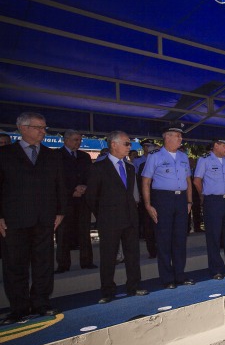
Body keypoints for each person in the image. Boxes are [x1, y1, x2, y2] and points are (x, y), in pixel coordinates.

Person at [0, 112, 68, 325]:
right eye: (38, 127)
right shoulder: (4, 154)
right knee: (15, 264)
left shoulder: (52, 155)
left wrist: (60, 211)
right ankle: (19, 308)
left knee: (43, 263)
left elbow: (60, 186)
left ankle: (41, 302)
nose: (42, 131)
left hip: (44, 218)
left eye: (44, 127)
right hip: (14, 219)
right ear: (22, 128)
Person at [85, 131, 148, 303]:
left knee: (133, 254)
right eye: (126, 144)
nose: (130, 147)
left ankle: (134, 285)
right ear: (113, 144)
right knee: (108, 256)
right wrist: (103, 214)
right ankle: (107, 290)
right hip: (109, 219)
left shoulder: (130, 167)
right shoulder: (99, 167)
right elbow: (91, 197)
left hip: (130, 218)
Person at [141, 123, 195, 288]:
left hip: (181, 201)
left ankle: (180, 275)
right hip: (162, 199)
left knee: (180, 239)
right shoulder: (155, 156)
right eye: (177, 135)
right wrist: (148, 205)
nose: (180, 138)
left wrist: (189, 201)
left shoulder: (183, 156)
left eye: (180, 136)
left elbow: (188, 181)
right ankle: (167, 278)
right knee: (164, 240)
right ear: (167, 136)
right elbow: (146, 181)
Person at [194, 138, 225, 280]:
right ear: (216, 145)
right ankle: (216, 269)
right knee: (214, 236)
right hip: (212, 200)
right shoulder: (204, 160)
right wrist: (203, 196)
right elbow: (197, 180)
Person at [55, 129, 96, 273]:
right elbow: (56, 180)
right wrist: (72, 190)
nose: (78, 143)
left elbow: (91, 176)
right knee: (63, 233)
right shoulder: (56, 156)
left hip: (83, 200)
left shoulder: (84, 157)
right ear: (66, 140)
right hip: (65, 201)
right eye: (75, 140)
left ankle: (86, 261)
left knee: (84, 231)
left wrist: (85, 187)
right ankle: (63, 264)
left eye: (79, 140)